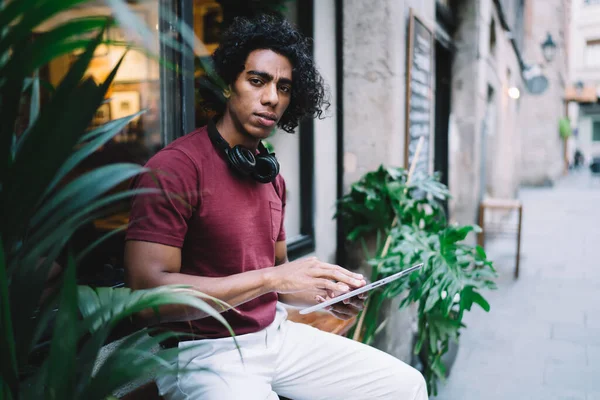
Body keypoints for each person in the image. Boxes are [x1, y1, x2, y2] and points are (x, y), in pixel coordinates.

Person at [124, 14, 428, 400]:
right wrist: (272, 279)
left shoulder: (270, 177)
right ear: (227, 85)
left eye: (284, 88)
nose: (272, 98)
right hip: (205, 353)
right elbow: (147, 301)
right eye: (257, 81)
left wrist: (327, 296)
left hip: (276, 337)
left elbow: (281, 281)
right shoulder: (175, 167)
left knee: (405, 386)